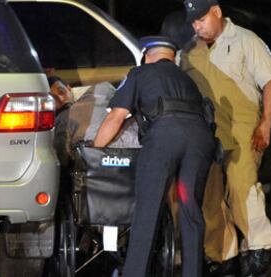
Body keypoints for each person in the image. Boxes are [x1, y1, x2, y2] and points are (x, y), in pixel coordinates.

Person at [94, 36, 216, 277]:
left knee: (148, 211)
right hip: (200, 140)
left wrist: (95, 148)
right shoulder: (189, 79)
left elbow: (116, 117)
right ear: (172, 57)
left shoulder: (140, 73)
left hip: (164, 138)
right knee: (190, 209)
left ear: (147, 55)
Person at [181, 0, 271, 276]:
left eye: (201, 19)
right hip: (205, 129)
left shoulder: (246, 41)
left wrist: (266, 122)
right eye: (193, 21)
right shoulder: (188, 52)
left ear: (216, 11)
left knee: (242, 184)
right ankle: (223, 255)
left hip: (242, 123)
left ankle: (258, 247)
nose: (196, 25)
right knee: (209, 193)